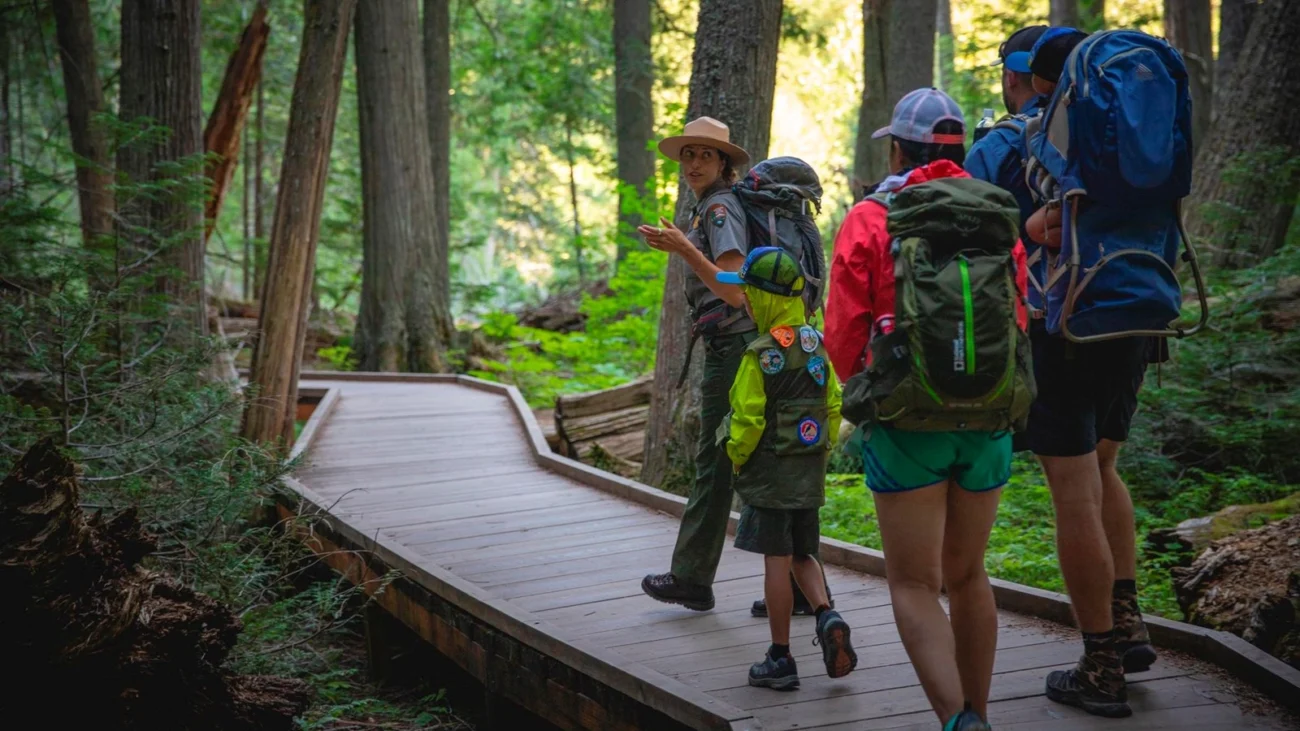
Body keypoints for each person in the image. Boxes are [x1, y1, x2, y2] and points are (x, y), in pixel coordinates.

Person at [825, 88, 1029, 731]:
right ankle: (981, 711)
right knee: (969, 576)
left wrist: (869, 396)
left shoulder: (871, 217)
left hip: (908, 422)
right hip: (989, 421)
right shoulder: (998, 215)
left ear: (897, 147)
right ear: (959, 147)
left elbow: (843, 331)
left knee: (915, 584)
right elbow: (1019, 316)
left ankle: (958, 723)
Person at [1013, 27, 1156, 720]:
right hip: (1140, 309)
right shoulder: (1138, 122)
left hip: (1070, 319)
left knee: (1072, 490)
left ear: (1047, 81)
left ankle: (1100, 665)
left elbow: (1043, 226)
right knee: (1103, 471)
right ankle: (1128, 625)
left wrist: (1025, 223)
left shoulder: (1055, 127)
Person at [637, 116, 831, 614]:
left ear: (724, 162)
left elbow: (733, 288)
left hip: (740, 350)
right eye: (688, 155)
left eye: (705, 155)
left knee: (718, 461)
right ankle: (805, 593)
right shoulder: (716, 206)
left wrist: (684, 248)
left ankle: (692, 578)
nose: (694, 164)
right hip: (764, 346)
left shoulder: (720, 208)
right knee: (771, 457)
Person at [714, 246, 854, 690]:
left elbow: (748, 418)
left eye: (751, 294)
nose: (747, 302)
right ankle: (826, 613)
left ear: (768, 298)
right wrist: (822, 451)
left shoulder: (759, 355)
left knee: (776, 561)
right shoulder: (816, 347)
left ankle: (781, 656)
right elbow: (834, 404)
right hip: (808, 469)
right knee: (802, 553)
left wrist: (736, 454)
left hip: (770, 475)